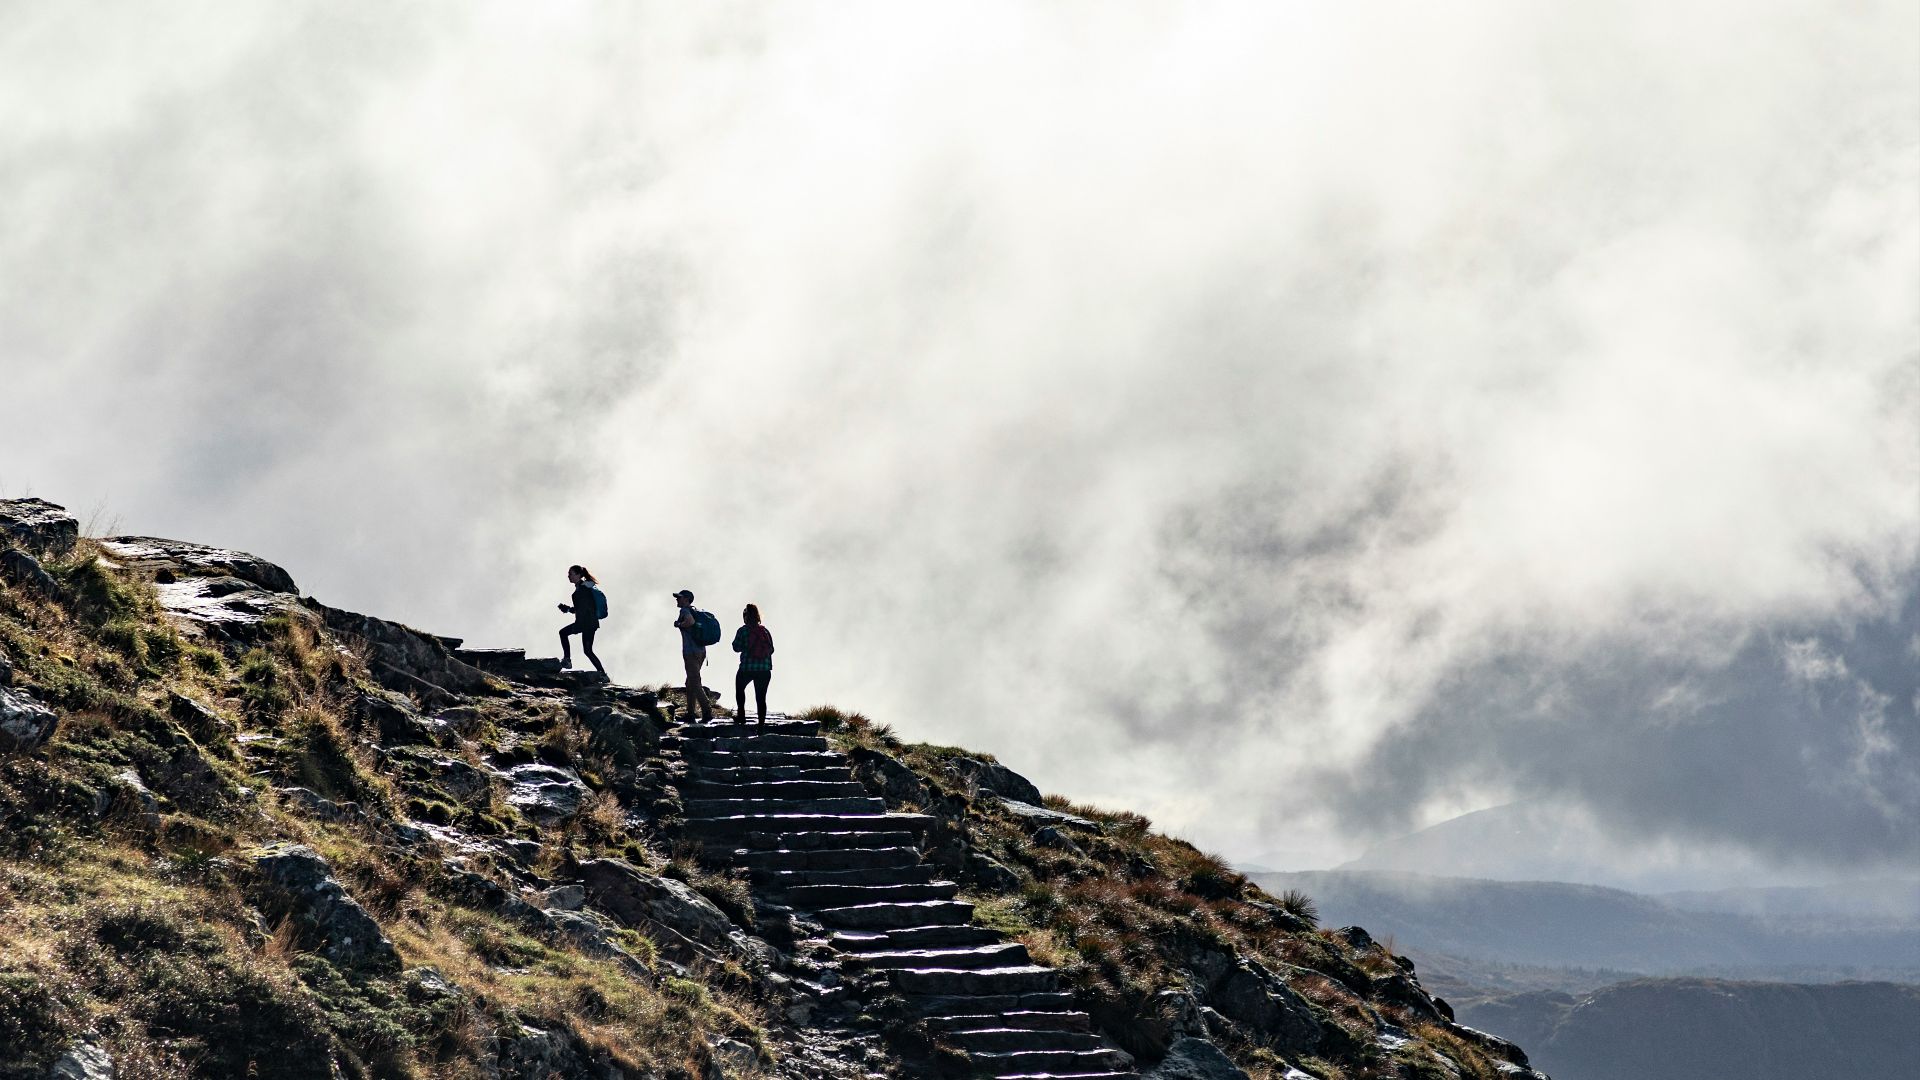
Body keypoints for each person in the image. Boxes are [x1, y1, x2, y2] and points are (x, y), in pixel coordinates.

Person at [673, 589, 715, 722]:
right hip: (701, 652)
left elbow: (690, 622)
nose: (677, 600)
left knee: (695, 683)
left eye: (679, 598)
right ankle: (690, 713)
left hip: (690, 652)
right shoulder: (695, 611)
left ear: (686, 599)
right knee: (690, 682)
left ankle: (707, 712)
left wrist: (679, 624)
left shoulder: (685, 611)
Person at [557, 565, 606, 677]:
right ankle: (602, 674)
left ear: (578, 575)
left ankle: (567, 660)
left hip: (586, 623)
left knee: (563, 633)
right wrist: (569, 609)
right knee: (588, 651)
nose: (568, 576)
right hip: (589, 623)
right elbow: (581, 608)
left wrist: (577, 623)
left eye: (571, 573)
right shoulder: (583, 588)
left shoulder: (582, 589)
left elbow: (584, 609)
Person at [730, 604, 775, 724]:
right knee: (761, 698)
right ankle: (761, 725)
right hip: (764, 670)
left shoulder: (743, 630)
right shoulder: (765, 631)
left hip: (747, 668)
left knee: (740, 689)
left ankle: (741, 716)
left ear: (746, 617)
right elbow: (771, 649)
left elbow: (736, 647)